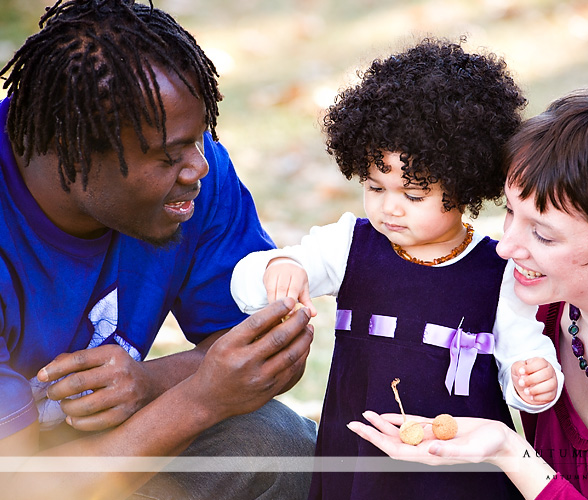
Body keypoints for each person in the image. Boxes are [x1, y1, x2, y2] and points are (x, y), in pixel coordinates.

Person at [0, 1, 317, 499]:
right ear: (73, 148)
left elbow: (263, 348)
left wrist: (153, 382)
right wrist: (197, 399)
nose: (198, 167)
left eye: (198, 140)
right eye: (168, 155)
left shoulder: (192, 181)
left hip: (95, 453)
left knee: (279, 445)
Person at [231, 38, 564, 500]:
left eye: (412, 195)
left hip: (459, 470)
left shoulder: (496, 268)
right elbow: (247, 281)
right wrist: (279, 267)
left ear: (466, 183)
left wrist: (536, 379)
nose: (389, 208)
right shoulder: (350, 244)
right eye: (374, 186)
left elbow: (522, 358)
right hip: (359, 458)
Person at [347, 85, 588, 499]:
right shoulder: (539, 298)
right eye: (509, 211)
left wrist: (509, 451)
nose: (505, 248)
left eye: (542, 234)